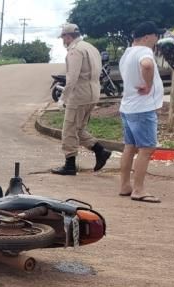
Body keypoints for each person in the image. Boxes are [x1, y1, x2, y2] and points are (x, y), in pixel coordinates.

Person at [51, 23, 112, 175]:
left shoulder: (75, 51)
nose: (63, 41)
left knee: (69, 130)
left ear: (68, 36)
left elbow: (72, 78)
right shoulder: (91, 48)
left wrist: (63, 98)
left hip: (79, 95)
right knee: (78, 129)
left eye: (63, 38)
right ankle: (100, 151)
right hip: (93, 93)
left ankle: (70, 165)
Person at [118, 21, 166, 203]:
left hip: (128, 107)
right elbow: (147, 65)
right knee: (146, 148)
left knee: (129, 147)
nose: (157, 39)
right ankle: (138, 189)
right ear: (147, 37)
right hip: (142, 108)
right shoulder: (145, 51)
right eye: (156, 35)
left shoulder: (127, 53)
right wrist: (148, 84)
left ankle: (125, 185)